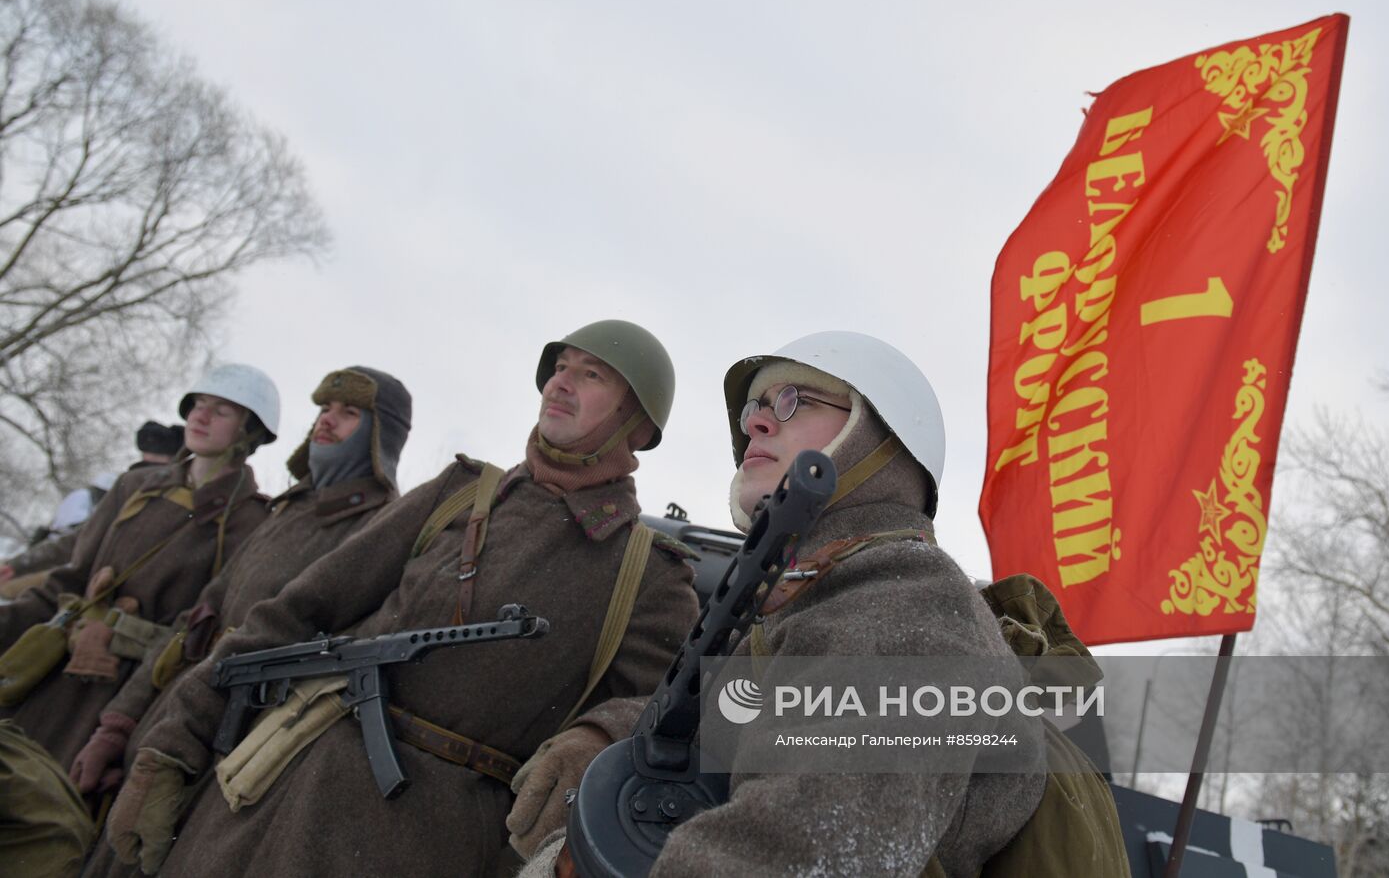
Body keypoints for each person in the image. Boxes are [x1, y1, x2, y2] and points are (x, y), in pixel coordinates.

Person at [104, 321, 700, 876]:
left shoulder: (647, 572)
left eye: (591, 375)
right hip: (268, 791)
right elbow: (293, 614)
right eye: (560, 367)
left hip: (425, 845)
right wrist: (173, 743)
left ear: (636, 423)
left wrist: (600, 735)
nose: (560, 383)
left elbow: (684, 717)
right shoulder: (458, 493)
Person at [514, 331, 1105, 877]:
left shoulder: (909, 599)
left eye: (794, 400)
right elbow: (732, 716)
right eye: (755, 408)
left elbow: (806, 849)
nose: (757, 423)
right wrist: (610, 736)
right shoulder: (816, 596)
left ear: (878, 441)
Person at [69, 366, 412, 816]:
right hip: (169, 714)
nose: (326, 420)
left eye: (349, 412)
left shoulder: (377, 529)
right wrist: (117, 726)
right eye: (324, 408)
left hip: (232, 747)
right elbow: (193, 620)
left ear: (380, 433)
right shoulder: (289, 508)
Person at [0, 364, 278, 771]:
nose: (200, 417)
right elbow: (67, 581)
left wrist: (116, 727)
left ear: (249, 431)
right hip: (51, 671)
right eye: (198, 405)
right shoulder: (134, 487)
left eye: (220, 411)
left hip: (123, 699)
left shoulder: (252, 521)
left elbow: (193, 632)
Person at [0, 422, 182, 595]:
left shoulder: (178, 501)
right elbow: (80, 539)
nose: (146, 475)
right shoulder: (126, 491)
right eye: (144, 465)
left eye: (154, 466)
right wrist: (18, 565)